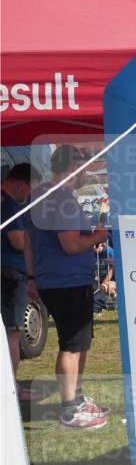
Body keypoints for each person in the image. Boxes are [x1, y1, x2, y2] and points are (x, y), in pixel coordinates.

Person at [24, 146, 111, 429]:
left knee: (78, 343)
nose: (89, 172)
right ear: (73, 167)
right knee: (73, 345)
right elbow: (71, 245)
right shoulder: (61, 198)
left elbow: (29, 241)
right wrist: (98, 235)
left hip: (56, 279)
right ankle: (70, 409)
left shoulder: (40, 195)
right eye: (85, 166)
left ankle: (77, 399)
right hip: (68, 281)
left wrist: (33, 276)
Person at [2, 164, 35, 399]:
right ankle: (11, 388)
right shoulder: (9, 204)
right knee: (12, 334)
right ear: (21, 183)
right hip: (11, 275)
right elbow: (18, 241)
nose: (29, 195)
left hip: (7, 274)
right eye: (30, 189)